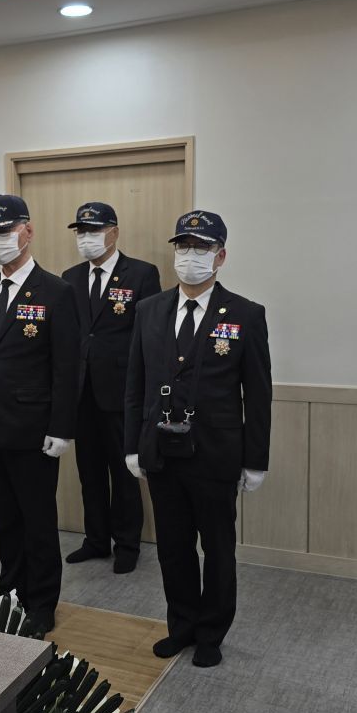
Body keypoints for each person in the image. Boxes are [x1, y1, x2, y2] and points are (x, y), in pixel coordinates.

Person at [124, 211, 271, 668]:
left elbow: (258, 393)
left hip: (216, 453)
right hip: (161, 452)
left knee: (218, 548)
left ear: (220, 256)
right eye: (183, 246)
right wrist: (131, 444)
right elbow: (135, 383)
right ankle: (182, 625)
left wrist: (256, 460)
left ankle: (211, 631)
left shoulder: (245, 314)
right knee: (172, 547)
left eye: (201, 247)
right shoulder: (149, 310)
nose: (190, 256)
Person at [0, 195, 79, 635]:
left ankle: (43, 601)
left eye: (4, 231)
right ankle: (12, 591)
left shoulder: (56, 291)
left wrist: (62, 427)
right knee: (5, 521)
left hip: (35, 430)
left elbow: (68, 365)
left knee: (38, 522)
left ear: (27, 232)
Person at [61, 201, 161, 574]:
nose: (85, 238)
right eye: (80, 231)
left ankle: (128, 544)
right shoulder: (70, 277)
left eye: (93, 231)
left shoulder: (141, 274)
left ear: (114, 233)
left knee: (123, 474)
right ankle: (96, 539)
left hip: (121, 392)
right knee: (89, 472)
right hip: (82, 392)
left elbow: (148, 335)